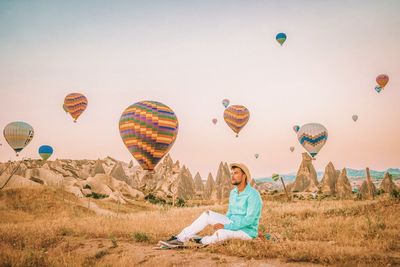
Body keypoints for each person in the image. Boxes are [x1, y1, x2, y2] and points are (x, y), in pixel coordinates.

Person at [160, 163, 263, 248]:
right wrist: (222, 222)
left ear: (244, 176)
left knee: (221, 233)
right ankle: (180, 239)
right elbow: (229, 214)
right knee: (207, 214)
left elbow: (248, 220)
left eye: (236, 173)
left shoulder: (253, 195)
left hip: (246, 231)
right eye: (231, 173)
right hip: (232, 223)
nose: (232, 175)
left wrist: (226, 226)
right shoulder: (233, 193)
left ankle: (201, 240)